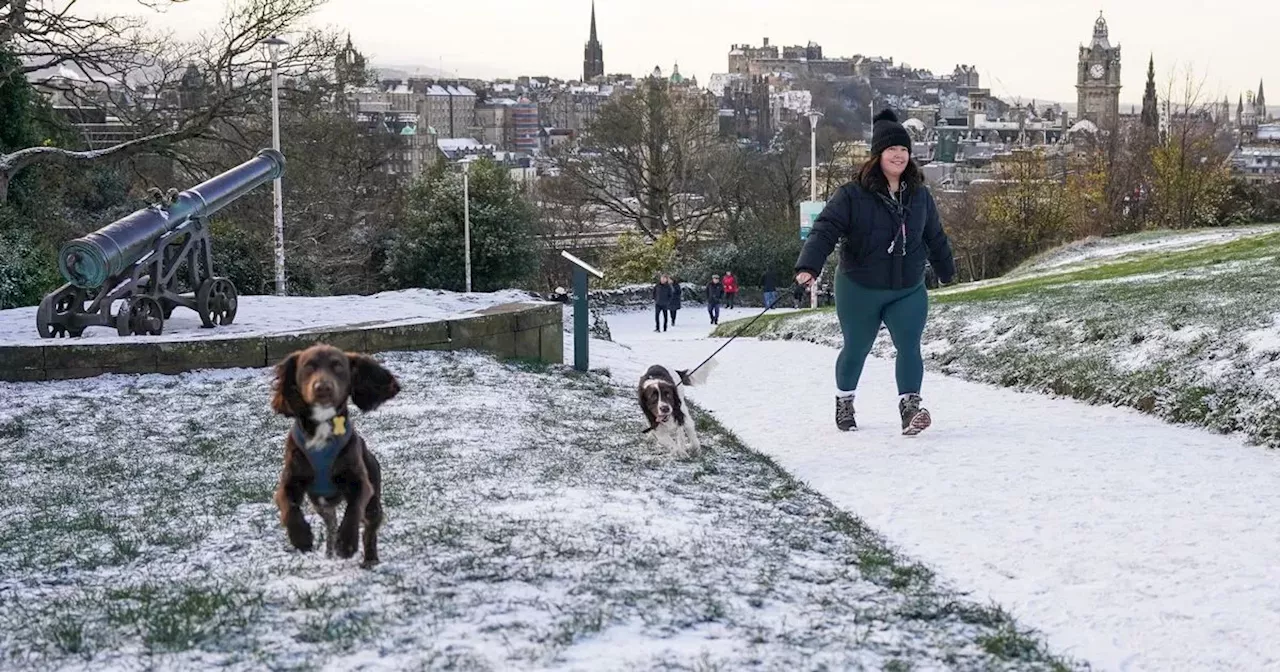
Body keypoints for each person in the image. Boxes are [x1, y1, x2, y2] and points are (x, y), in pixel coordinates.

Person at [794, 109, 956, 435]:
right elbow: (825, 229)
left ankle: (910, 409)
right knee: (857, 347)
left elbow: (934, 235)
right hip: (859, 287)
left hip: (907, 287)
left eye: (904, 150)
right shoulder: (851, 195)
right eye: (892, 149)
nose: (899, 155)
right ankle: (845, 401)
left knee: (910, 345)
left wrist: (945, 269)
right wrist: (808, 267)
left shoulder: (920, 196)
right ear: (878, 155)